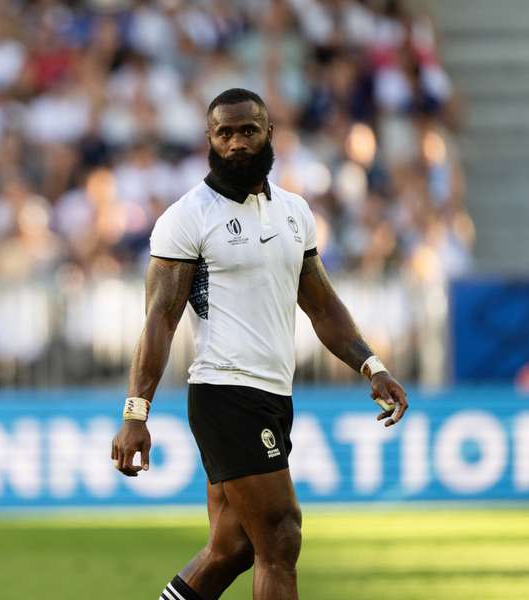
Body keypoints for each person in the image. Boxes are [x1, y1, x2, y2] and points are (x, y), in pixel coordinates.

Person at [110, 88, 408, 600]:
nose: (236, 143)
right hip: (226, 392)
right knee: (280, 535)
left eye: (248, 130)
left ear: (269, 132)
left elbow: (321, 305)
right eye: (224, 133)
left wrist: (371, 364)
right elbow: (160, 319)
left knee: (233, 549)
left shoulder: (295, 212)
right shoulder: (188, 217)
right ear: (209, 139)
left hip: (273, 393)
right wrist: (136, 412)